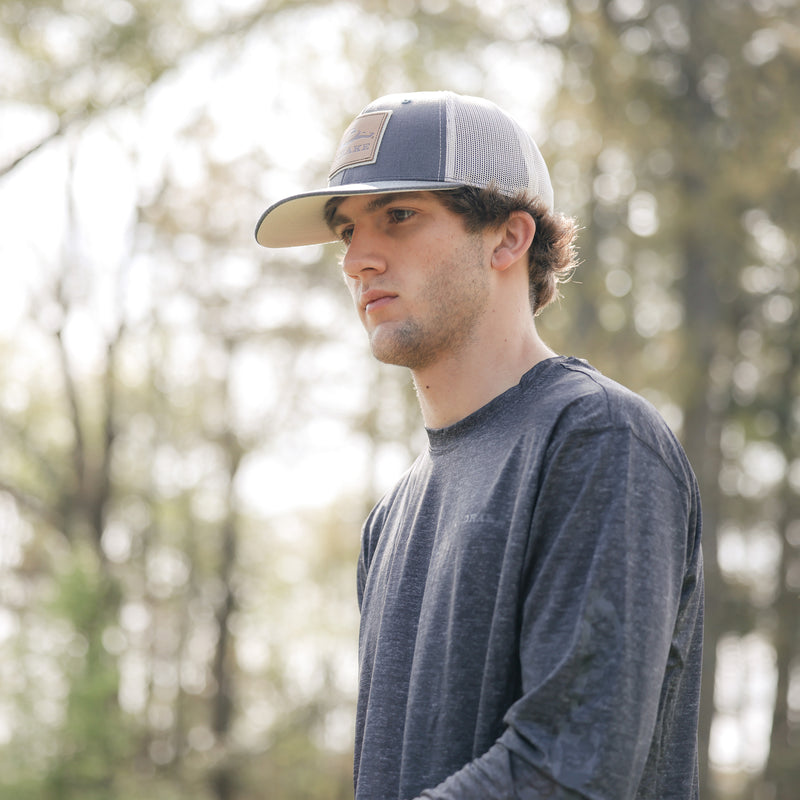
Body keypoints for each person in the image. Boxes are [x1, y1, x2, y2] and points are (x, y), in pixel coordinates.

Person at [255, 91, 704, 800]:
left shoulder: (598, 440)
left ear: (508, 238)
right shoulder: (390, 517)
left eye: (398, 216)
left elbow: (570, 768)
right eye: (347, 232)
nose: (357, 260)